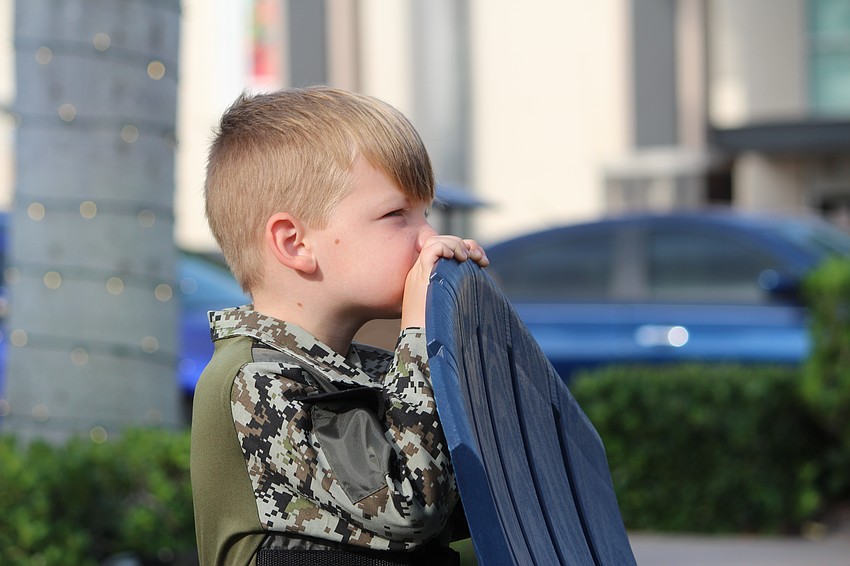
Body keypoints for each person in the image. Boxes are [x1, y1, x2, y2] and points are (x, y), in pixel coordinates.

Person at [190, 86, 488, 566]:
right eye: (397, 215)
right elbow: (411, 506)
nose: (429, 238)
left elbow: (471, 503)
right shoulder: (258, 379)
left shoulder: (363, 369)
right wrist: (418, 334)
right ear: (295, 243)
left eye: (426, 214)